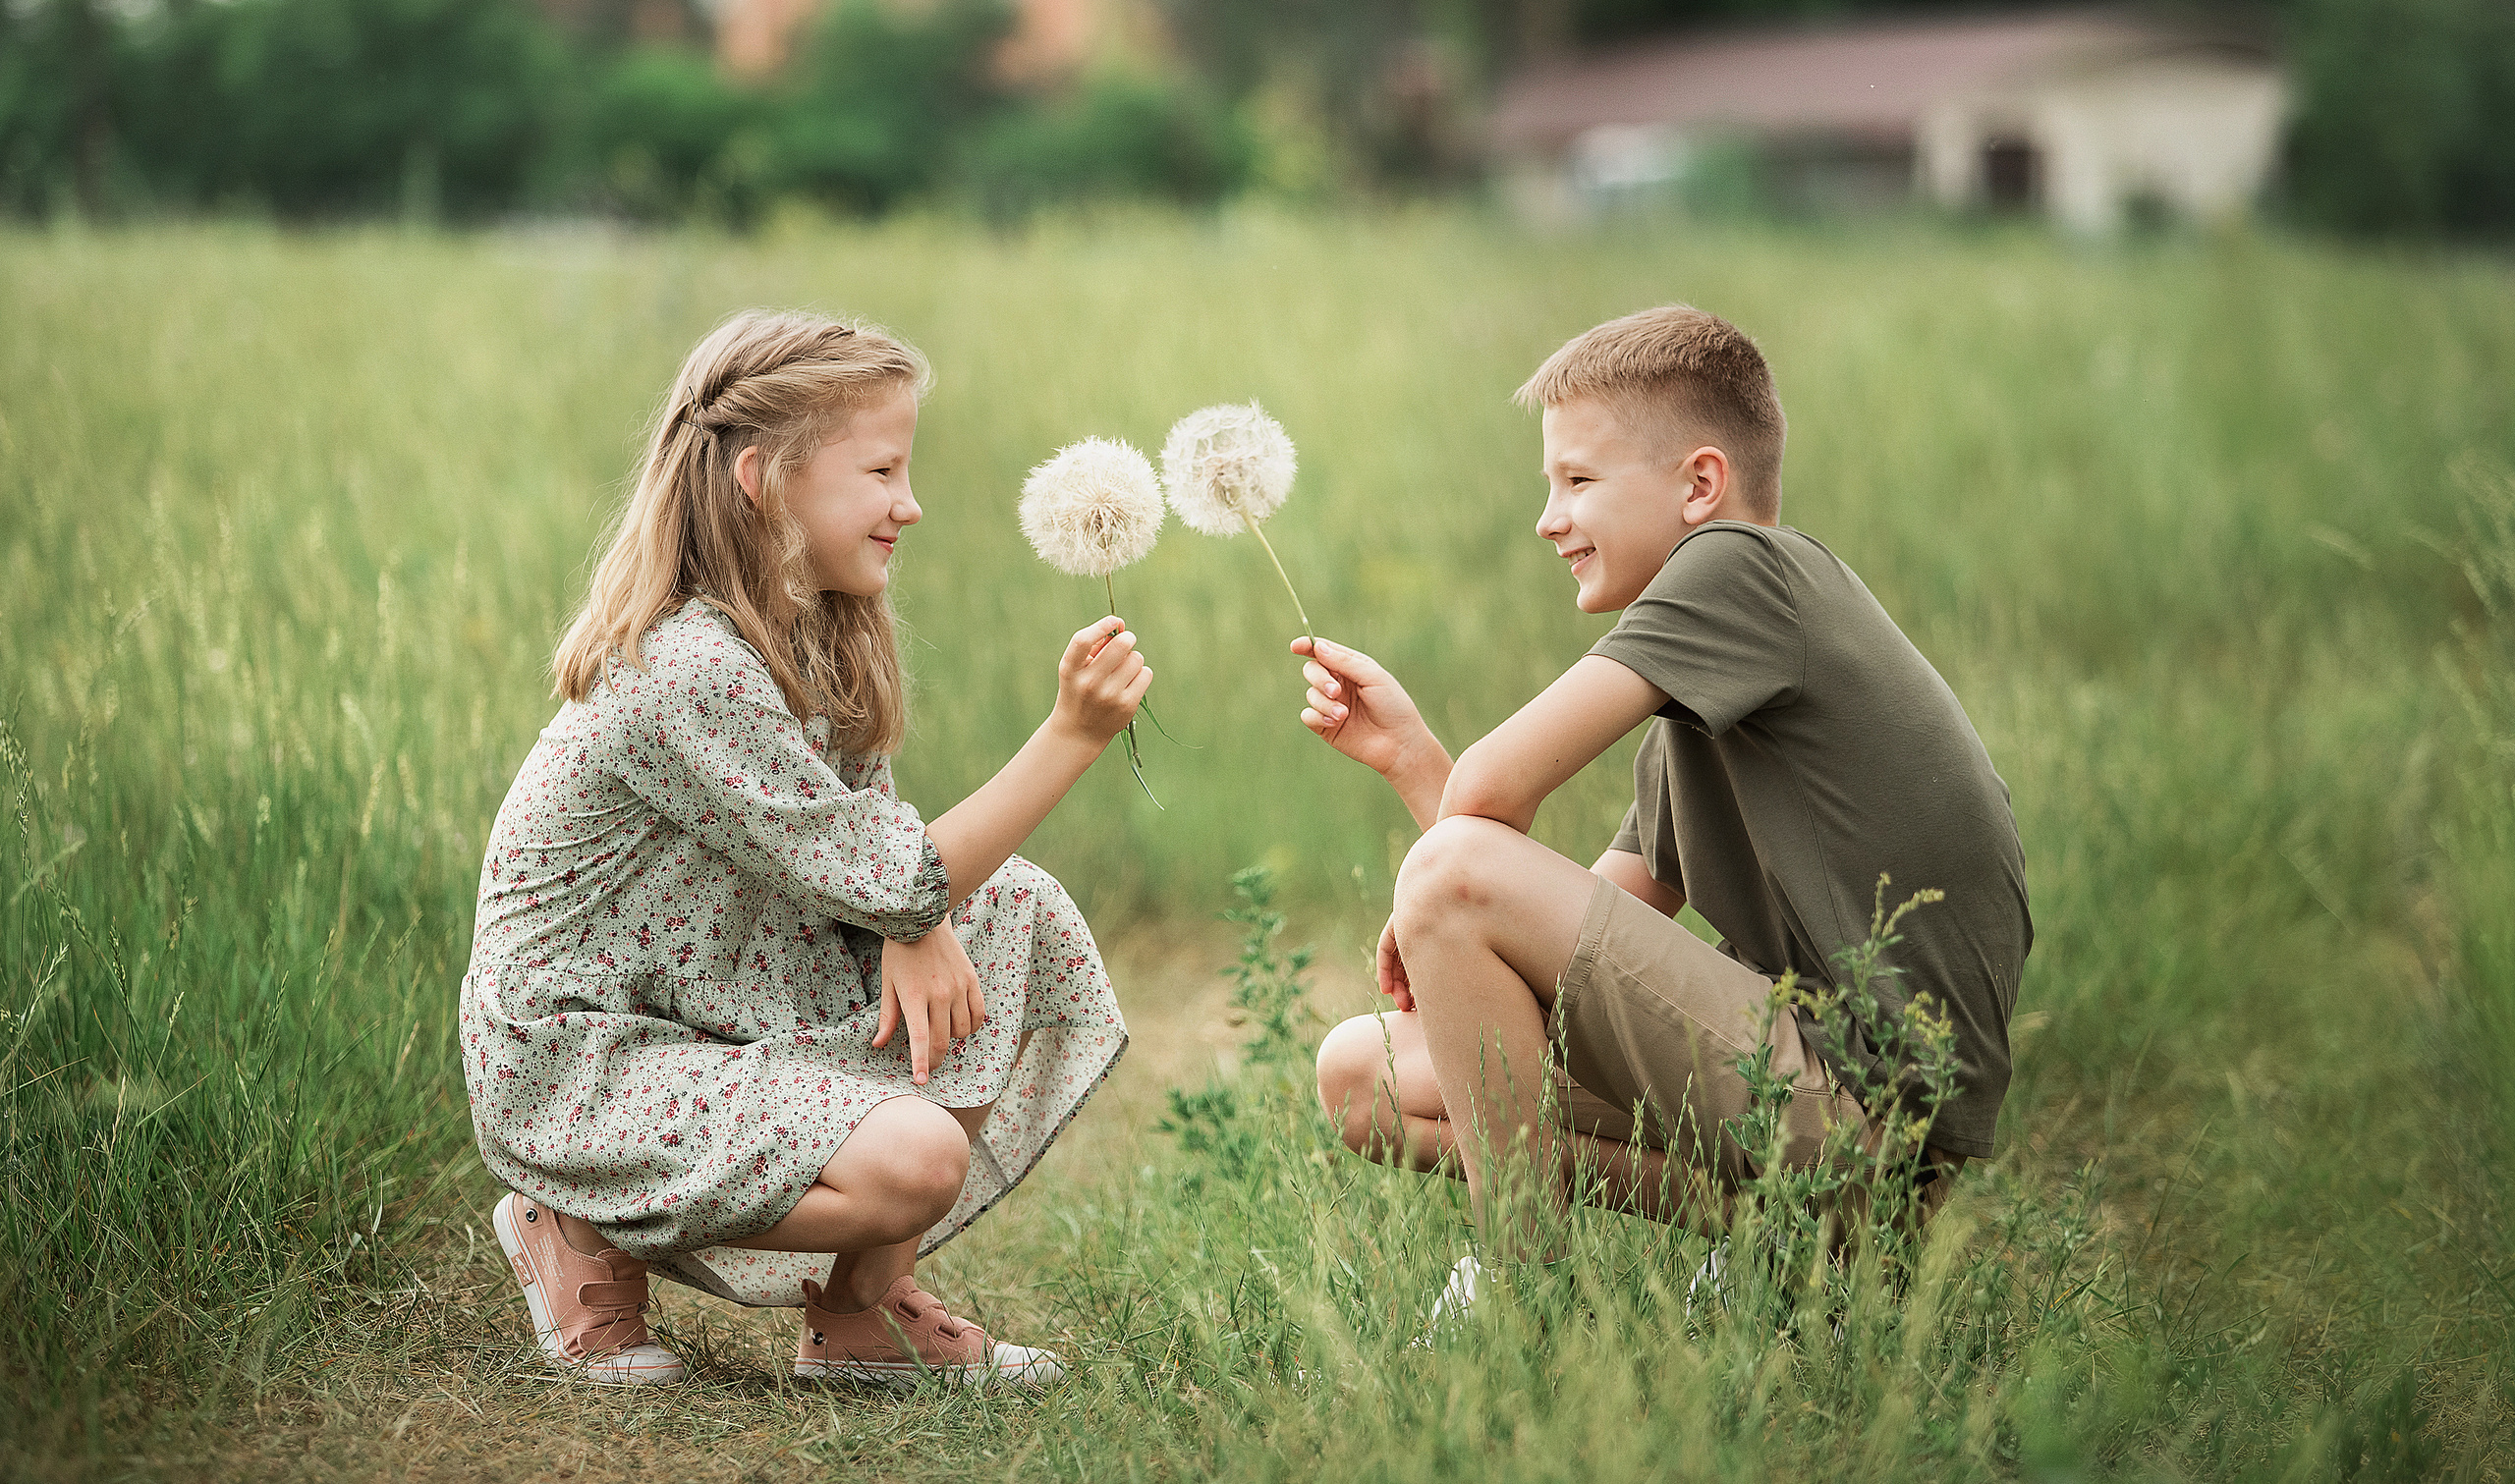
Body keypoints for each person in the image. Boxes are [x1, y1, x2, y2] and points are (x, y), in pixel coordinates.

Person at [1301, 303, 2031, 1323]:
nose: (1547, 519)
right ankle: (1802, 1242)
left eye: (1578, 481)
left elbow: (1483, 825)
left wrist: (1445, 838)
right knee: (1363, 1078)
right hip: (1813, 1113)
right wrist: (1414, 764)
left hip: (1880, 1122)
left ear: (1699, 484)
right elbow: (1553, 969)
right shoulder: (1688, 726)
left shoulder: (1742, 568)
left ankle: (1520, 1305)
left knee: (1452, 873)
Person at [462, 310, 1144, 1386]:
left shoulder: (814, 630)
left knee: (1012, 907)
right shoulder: (689, 668)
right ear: (764, 479)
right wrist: (1072, 736)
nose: (908, 504)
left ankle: (853, 1318)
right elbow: (902, 877)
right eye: (880, 469)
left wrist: (915, 920)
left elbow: (881, 863)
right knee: (921, 1154)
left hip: (714, 1007)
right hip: (587, 1056)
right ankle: (573, 1224)